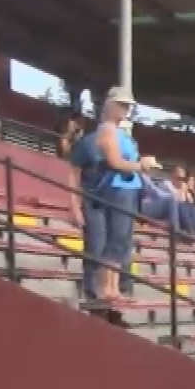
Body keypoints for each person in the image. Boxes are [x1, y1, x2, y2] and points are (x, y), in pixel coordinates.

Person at [71, 87, 157, 306]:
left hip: (128, 189)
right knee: (112, 241)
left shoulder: (121, 134)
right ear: (110, 105)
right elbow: (115, 162)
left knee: (120, 241)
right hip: (116, 189)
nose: (125, 109)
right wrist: (141, 165)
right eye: (122, 105)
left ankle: (114, 287)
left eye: (127, 106)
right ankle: (103, 288)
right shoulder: (107, 130)